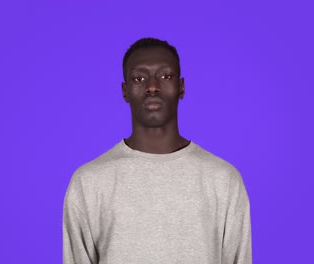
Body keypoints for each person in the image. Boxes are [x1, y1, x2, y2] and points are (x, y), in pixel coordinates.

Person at [63, 37, 252, 264]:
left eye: (165, 76)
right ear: (125, 91)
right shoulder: (88, 182)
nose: (152, 87)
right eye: (139, 78)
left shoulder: (223, 179)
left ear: (181, 87)